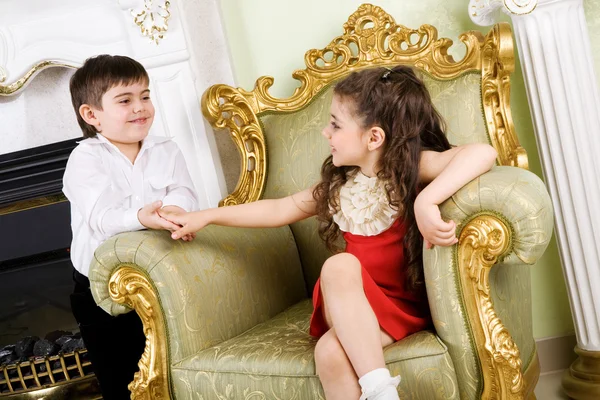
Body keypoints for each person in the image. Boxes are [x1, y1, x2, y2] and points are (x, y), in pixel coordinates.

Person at [159, 65, 498, 400]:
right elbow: (279, 209)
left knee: (330, 354)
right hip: (348, 302)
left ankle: (377, 389)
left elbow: (484, 153)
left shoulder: (409, 171)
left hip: (399, 305)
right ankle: (382, 392)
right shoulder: (341, 186)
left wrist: (426, 201)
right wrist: (205, 216)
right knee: (340, 267)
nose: (325, 132)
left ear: (374, 137)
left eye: (335, 125)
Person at [62, 54, 199, 399]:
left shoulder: (166, 149)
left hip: (159, 277)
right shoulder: (85, 159)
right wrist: (142, 217)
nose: (141, 107)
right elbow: (102, 217)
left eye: (146, 96)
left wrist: (174, 211)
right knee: (122, 377)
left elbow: (184, 192)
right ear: (92, 115)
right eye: (125, 100)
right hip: (100, 289)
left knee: (166, 370)